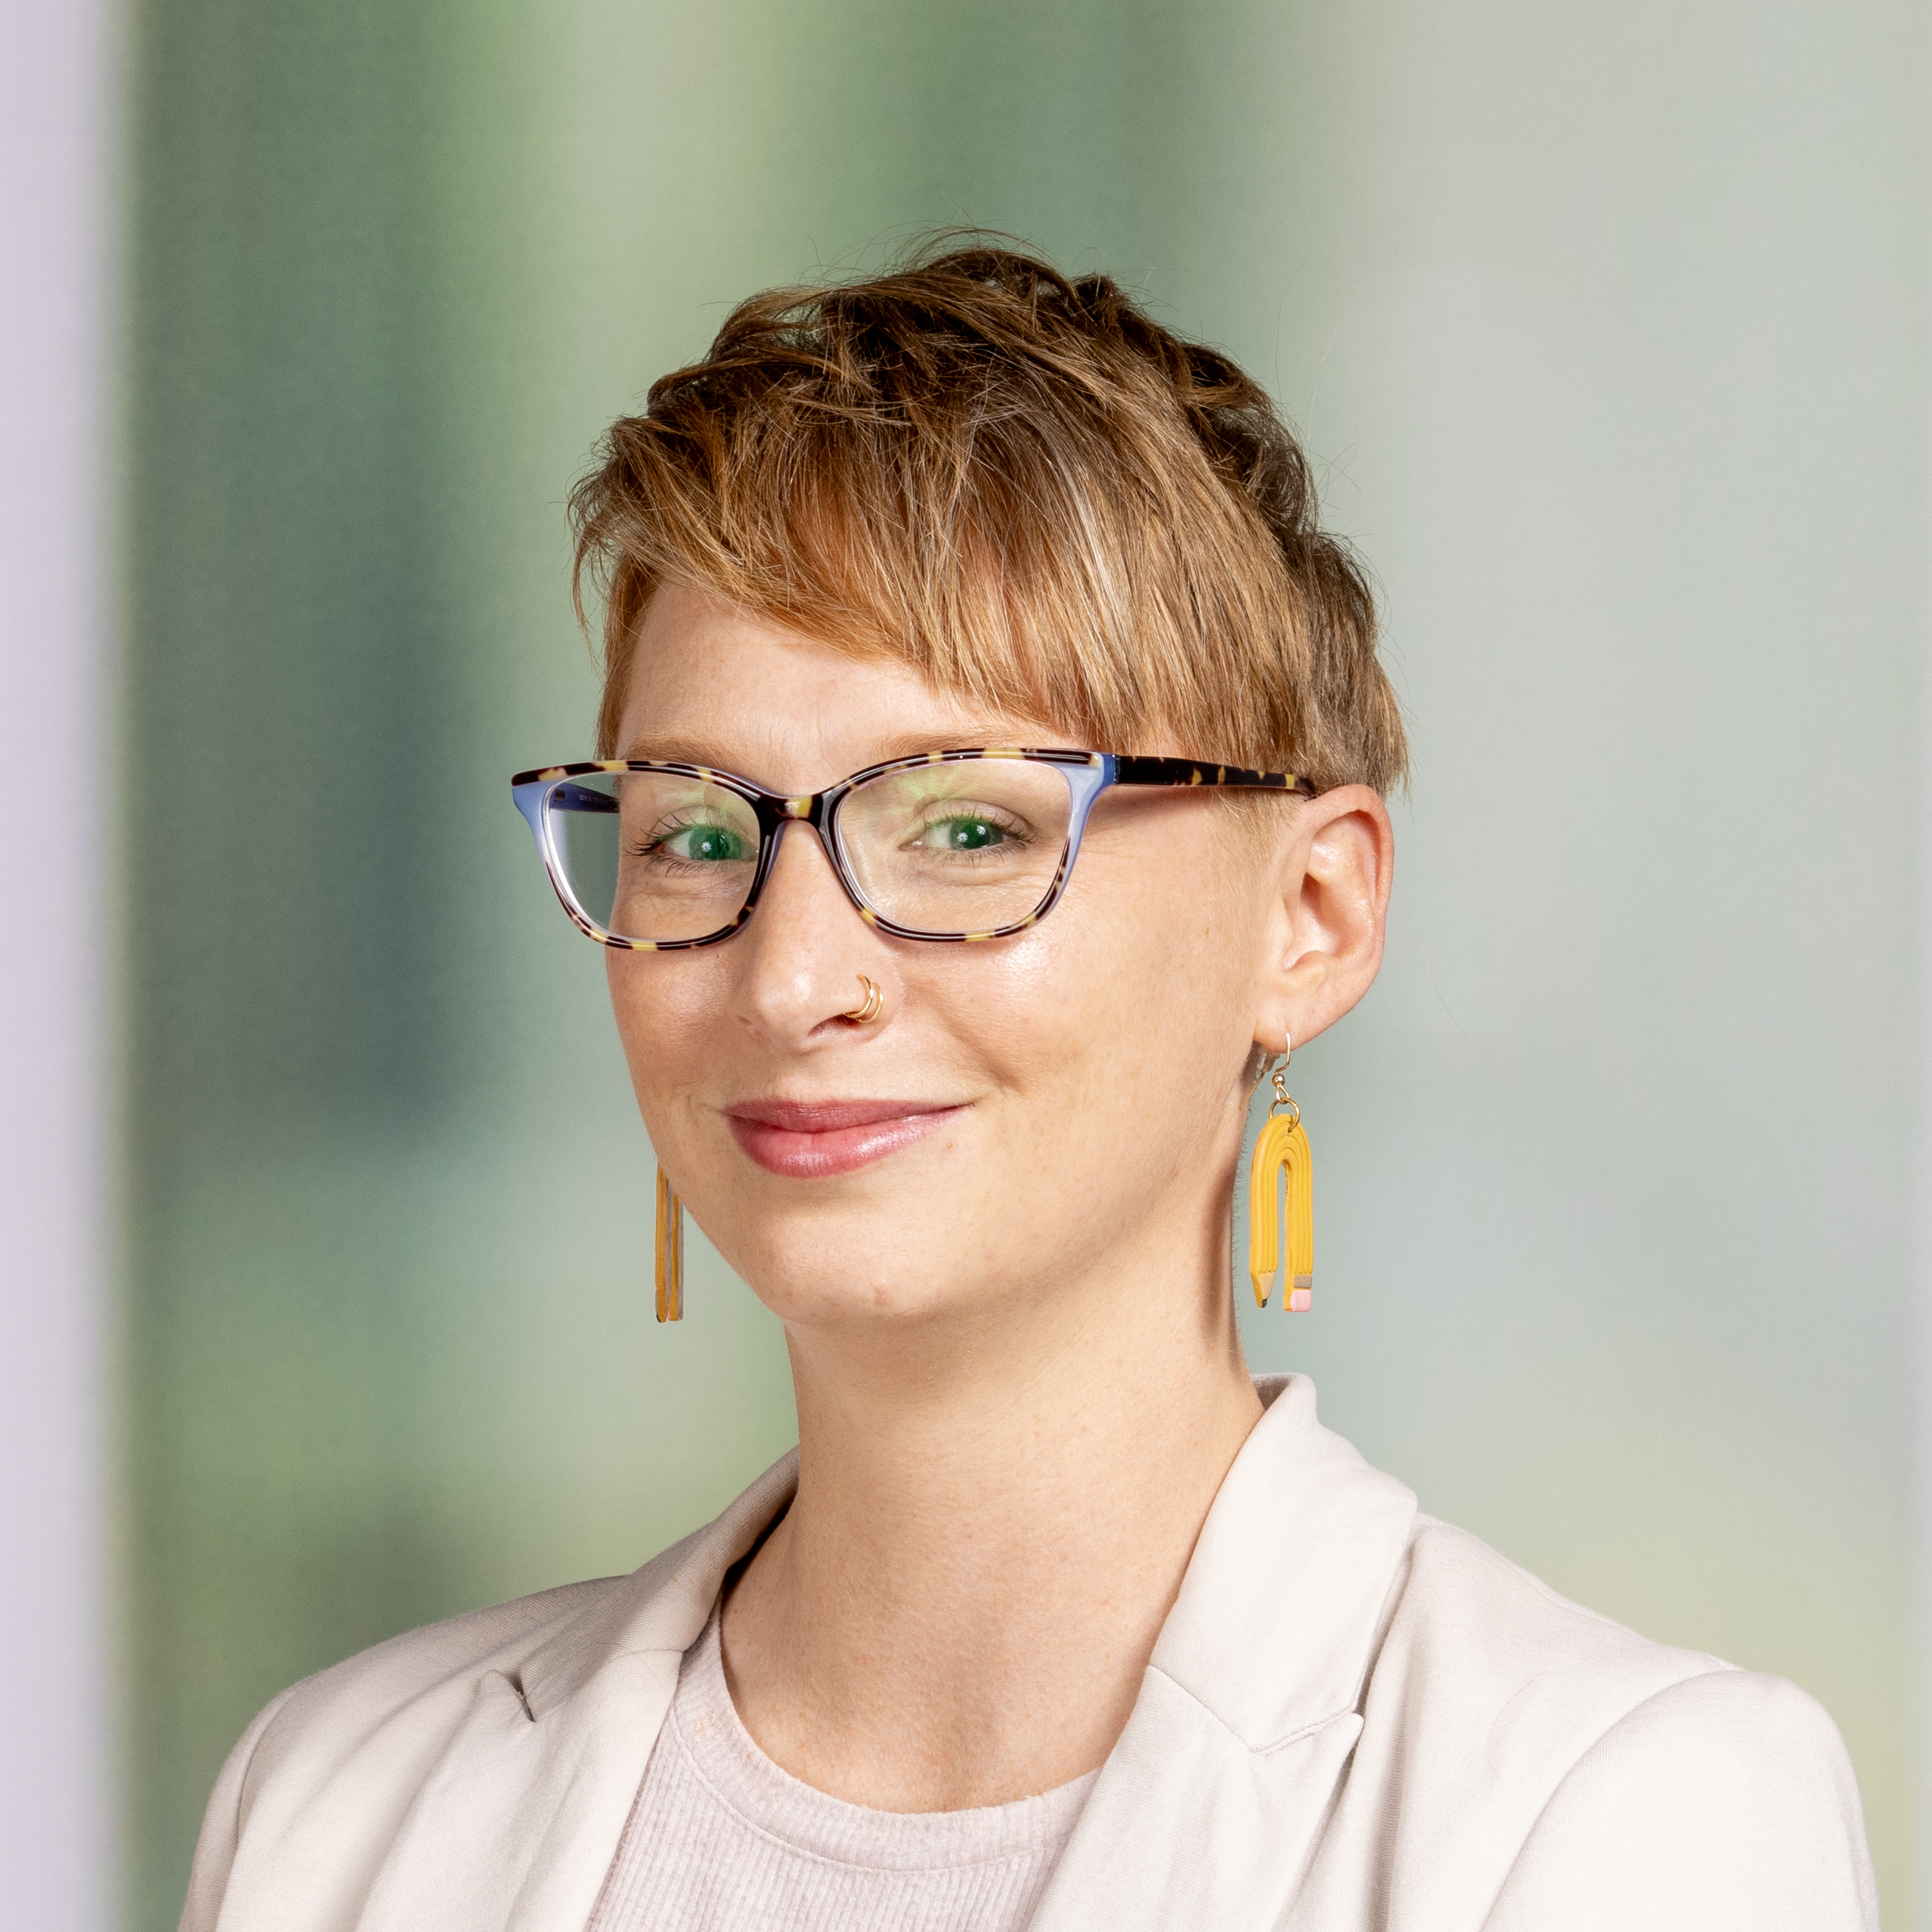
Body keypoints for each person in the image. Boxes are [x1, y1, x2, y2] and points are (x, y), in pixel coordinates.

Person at [179, 244, 1877, 1932]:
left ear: (1312, 914)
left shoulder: (1623, 1821)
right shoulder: (339, 1814)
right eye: (698, 835)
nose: (791, 978)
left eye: (972, 828)